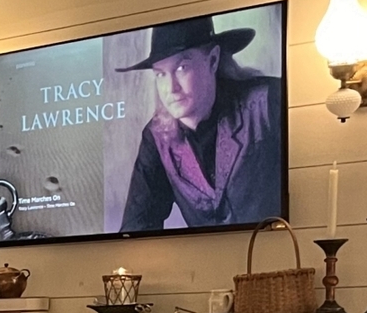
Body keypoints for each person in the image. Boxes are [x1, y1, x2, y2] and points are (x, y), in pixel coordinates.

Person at [117, 15, 284, 233]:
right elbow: (136, 225)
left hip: (277, 250)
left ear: (213, 60)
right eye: (160, 74)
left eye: (182, 68)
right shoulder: (157, 137)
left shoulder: (269, 101)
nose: (171, 88)